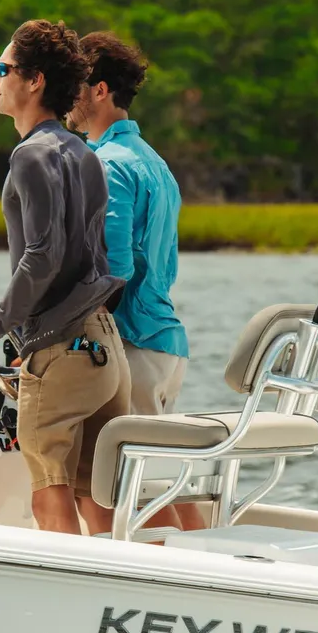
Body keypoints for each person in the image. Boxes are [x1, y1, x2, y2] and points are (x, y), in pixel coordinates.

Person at [0, 19, 131, 536]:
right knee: (94, 496)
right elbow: (95, 259)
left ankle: (72, 605)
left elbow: (41, 257)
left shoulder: (30, 156)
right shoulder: (83, 153)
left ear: (34, 81)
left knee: (48, 494)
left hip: (61, 349)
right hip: (105, 349)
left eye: (2, 69)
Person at [66, 32, 206, 531]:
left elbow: (114, 272)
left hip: (134, 347)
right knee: (162, 482)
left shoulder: (106, 164)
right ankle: (209, 569)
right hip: (167, 344)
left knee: (136, 493)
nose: (67, 97)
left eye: (75, 86)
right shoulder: (154, 161)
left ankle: (182, 586)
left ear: (100, 91)